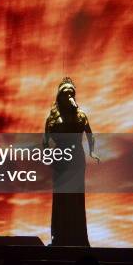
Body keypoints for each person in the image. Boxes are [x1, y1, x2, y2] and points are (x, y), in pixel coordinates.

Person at [43, 77, 99, 246]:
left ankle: (77, 237)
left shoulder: (81, 116)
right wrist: (46, 154)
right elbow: (45, 140)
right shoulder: (52, 117)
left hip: (76, 159)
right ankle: (60, 236)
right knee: (61, 197)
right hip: (60, 157)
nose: (69, 95)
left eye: (71, 93)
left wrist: (92, 151)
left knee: (75, 196)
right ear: (59, 96)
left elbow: (90, 134)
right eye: (65, 93)